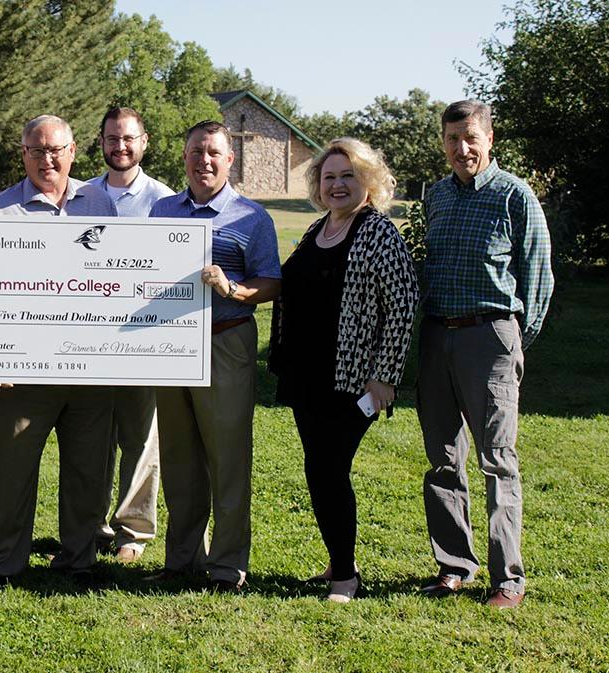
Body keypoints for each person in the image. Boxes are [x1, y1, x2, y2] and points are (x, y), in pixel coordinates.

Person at [267, 138, 418, 603]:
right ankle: (338, 559)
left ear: (368, 181)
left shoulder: (378, 232)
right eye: (329, 177)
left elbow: (403, 306)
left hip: (352, 379)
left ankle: (346, 577)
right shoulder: (319, 228)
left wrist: (384, 376)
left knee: (329, 470)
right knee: (319, 470)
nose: (337, 185)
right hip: (307, 373)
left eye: (348, 176)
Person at [417, 100, 553, 609]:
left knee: (497, 460)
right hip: (437, 336)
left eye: (470, 137)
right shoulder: (436, 196)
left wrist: (511, 341)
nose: (462, 148)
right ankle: (454, 566)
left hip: (489, 336)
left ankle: (507, 578)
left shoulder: (515, 195)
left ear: (489, 139)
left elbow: (538, 277)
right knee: (442, 459)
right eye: (452, 139)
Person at [0, 114, 117, 585]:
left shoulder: (99, 202)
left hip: (89, 365)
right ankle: (3, 561)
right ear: (24, 155)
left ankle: (79, 559)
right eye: (36, 151)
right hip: (23, 370)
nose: (47, 159)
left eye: (55, 150)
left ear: (72, 152)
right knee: (13, 471)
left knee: (88, 471)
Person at [148, 120, 281, 591]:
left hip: (225, 339)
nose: (203, 160)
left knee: (227, 457)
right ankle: (182, 559)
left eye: (213, 153)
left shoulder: (251, 217)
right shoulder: (163, 210)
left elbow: (271, 282)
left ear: (229, 160)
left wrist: (233, 288)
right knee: (179, 456)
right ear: (184, 157)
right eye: (195, 152)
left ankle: (226, 566)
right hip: (170, 343)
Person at [87, 107, 174, 563]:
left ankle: (133, 531)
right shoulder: (81, 196)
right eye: (111, 138)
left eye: (128, 138)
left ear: (144, 141)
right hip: (86, 341)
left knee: (140, 438)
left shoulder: (165, 202)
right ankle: (91, 524)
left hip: (143, 341)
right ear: (100, 142)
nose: (119, 146)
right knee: (91, 437)